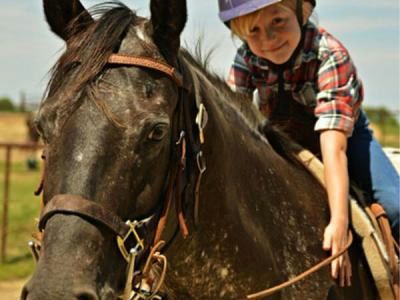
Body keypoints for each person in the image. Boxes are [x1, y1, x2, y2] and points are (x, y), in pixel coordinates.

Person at [218, 0, 399, 287]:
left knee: (395, 204)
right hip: (283, 138)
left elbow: (334, 147)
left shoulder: (329, 54)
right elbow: (231, 122)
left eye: (278, 21)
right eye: (253, 30)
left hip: (343, 137)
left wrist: (340, 224)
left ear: (302, 10)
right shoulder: (246, 59)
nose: (268, 39)